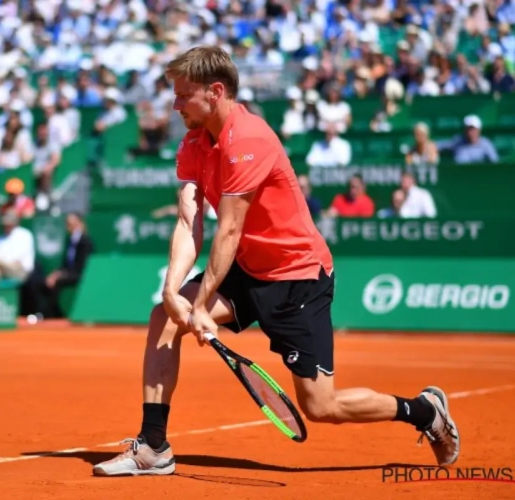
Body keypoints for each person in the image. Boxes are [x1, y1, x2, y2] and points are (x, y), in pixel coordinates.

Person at [92, 46, 459, 477]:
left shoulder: (249, 139)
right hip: (249, 270)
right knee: (163, 317)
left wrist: (199, 303)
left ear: (215, 92)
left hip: (298, 278)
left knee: (322, 406)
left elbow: (227, 230)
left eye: (182, 95)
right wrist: (173, 292)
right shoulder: (194, 141)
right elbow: (189, 219)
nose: (174, 105)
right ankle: (153, 446)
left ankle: (423, 411)